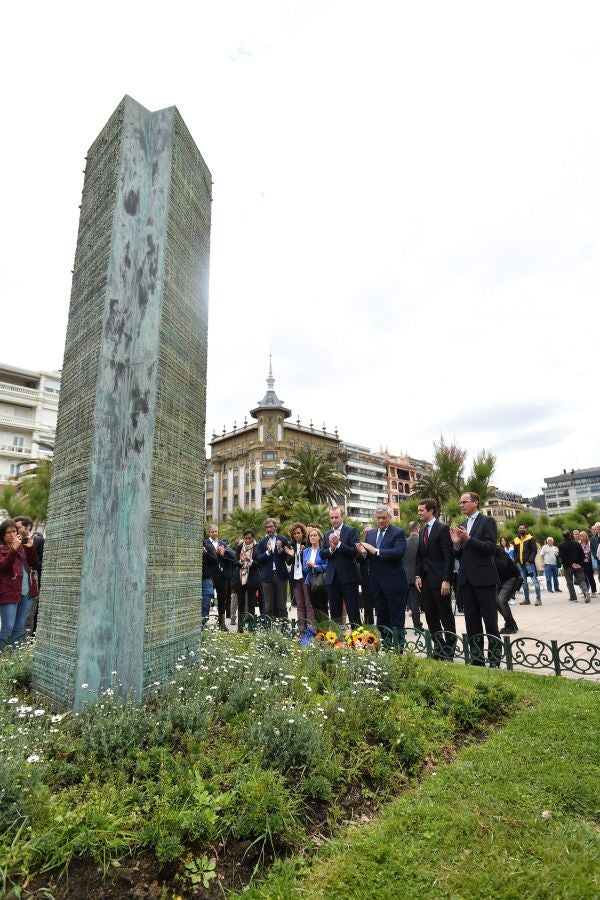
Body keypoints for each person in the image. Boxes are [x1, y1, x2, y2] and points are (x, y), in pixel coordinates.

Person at [450, 492, 501, 667]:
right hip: (466, 580)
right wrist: (457, 543)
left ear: (475, 503)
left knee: (490, 621)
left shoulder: (487, 521)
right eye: (460, 502)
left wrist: (469, 539)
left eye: (464, 502)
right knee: (471, 621)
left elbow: (490, 548)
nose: (461, 505)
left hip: (484, 578)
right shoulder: (463, 525)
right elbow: (460, 555)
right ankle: (476, 658)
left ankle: (494, 659)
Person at [415, 499, 455, 658]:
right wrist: (417, 575)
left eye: (421, 510)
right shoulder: (422, 530)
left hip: (440, 581)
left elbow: (448, 556)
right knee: (430, 616)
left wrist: (447, 579)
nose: (419, 513)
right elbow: (419, 556)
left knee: (445, 616)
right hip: (425, 581)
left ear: (431, 510)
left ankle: (450, 650)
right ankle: (439, 648)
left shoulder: (442, 529)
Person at [356, 504, 407, 631]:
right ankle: (385, 643)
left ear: (390, 518)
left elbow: (398, 552)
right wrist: (363, 553)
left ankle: (398, 644)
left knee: (396, 619)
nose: (381, 520)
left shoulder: (398, 533)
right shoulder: (370, 534)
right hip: (376, 584)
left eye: (384, 518)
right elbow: (368, 557)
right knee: (381, 619)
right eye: (378, 518)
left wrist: (376, 551)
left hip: (394, 584)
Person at [0, 519, 39, 652]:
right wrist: (13, 549)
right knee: (8, 627)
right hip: (9, 593)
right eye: (8, 533)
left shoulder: (21, 548)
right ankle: (2, 656)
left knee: (19, 628)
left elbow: (34, 562)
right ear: (3, 535)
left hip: (27, 592)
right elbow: (4, 566)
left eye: (14, 531)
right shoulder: (2, 549)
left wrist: (30, 547)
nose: (12, 535)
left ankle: (14, 658)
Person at [320, 507, 361, 626]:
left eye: (336, 517)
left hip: (349, 577)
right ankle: (337, 636)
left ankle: (357, 636)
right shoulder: (326, 534)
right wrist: (331, 548)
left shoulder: (351, 531)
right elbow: (322, 554)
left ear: (342, 517)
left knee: (353, 611)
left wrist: (338, 544)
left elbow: (354, 552)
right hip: (332, 579)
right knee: (335, 613)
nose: (334, 520)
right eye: (332, 517)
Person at [204, 524, 238, 629]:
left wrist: (224, 553)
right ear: (209, 532)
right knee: (207, 599)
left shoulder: (222, 544)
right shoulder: (205, 543)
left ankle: (222, 623)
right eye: (213, 532)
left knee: (222, 599)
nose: (215, 533)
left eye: (216, 531)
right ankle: (204, 622)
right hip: (209, 575)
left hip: (222, 575)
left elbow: (234, 556)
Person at [256, 518, 290, 619]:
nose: (269, 529)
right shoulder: (262, 542)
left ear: (275, 527)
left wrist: (280, 550)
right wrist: (268, 552)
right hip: (267, 577)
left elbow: (287, 558)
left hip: (281, 576)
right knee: (268, 606)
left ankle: (284, 626)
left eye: (270, 526)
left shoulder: (283, 539)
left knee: (282, 605)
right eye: (266, 527)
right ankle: (268, 627)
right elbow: (258, 559)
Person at [284, 523, 313, 633]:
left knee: (308, 604)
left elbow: (308, 560)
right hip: (295, 578)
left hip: (305, 577)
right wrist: (292, 555)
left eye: (298, 533)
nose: (296, 535)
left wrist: (299, 554)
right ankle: (301, 630)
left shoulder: (307, 544)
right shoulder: (291, 544)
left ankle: (310, 629)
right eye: (294, 533)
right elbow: (288, 562)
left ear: (303, 533)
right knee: (300, 605)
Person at [233, 530, 262, 631]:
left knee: (251, 604)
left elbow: (259, 563)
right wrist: (241, 560)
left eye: (249, 538)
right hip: (240, 578)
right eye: (246, 538)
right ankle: (240, 628)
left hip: (252, 578)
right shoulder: (239, 547)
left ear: (253, 538)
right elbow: (234, 562)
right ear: (244, 538)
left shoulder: (257, 547)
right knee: (241, 604)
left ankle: (251, 627)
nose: (247, 540)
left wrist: (251, 561)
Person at [302, 527, 329, 626]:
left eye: (315, 535)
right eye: (311, 536)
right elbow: (304, 569)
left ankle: (326, 628)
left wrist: (315, 566)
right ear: (308, 538)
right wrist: (309, 567)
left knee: (323, 606)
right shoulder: (306, 551)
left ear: (319, 537)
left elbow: (327, 566)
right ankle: (318, 629)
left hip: (322, 581)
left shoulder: (323, 550)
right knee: (314, 607)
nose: (313, 537)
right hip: (310, 581)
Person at [493, 546, 520, 635]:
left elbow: (502, 566)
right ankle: (511, 623)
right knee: (496, 601)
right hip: (499, 580)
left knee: (501, 600)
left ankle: (511, 626)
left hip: (511, 577)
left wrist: (490, 557)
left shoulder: (499, 551)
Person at [557, 530, 590, 603]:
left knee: (569, 582)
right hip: (578, 565)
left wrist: (571, 564)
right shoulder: (577, 543)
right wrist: (579, 564)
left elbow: (562, 557)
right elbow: (582, 554)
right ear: (570, 535)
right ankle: (586, 591)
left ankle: (573, 597)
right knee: (581, 580)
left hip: (568, 566)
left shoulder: (561, 545)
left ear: (563, 536)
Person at [513, 524, 542, 606]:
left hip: (529, 565)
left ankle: (538, 599)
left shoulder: (530, 538)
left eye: (523, 528)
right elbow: (515, 552)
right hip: (520, 565)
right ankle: (526, 599)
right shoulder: (515, 540)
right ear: (518, 529)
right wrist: (516, 562)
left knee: (535, 581)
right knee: (524, 583)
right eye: (520, 528)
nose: (522, 529)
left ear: (525, 529)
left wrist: (529, 561)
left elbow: (534, 551)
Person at [403, 521, 423, 630]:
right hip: (419, 575)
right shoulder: (421, 540)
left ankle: (416, 624)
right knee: (422, 601)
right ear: (417, 528)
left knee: (413, 601)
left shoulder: (404, 542)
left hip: (407, 575)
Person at [358, 524, 375, 624]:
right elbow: (356, 559)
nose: (368, 534)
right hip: (365, 579)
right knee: (367, 606)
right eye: (366, 532)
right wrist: (362, 553)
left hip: (378, 578)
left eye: (370, 531)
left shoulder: (378, 542)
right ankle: (369, 626)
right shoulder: (360, 545)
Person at [579, 531, 597, 598]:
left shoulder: (589, 543)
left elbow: (592, 553)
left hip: (589, 562)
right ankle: (586, 592)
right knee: (583, 578)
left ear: (586, 536)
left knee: (590, 577)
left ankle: (593, 592)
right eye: (581, 536)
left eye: (583, 535)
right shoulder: (579, 544)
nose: (582, 537)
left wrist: (594, 565)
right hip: (581, 563)